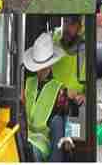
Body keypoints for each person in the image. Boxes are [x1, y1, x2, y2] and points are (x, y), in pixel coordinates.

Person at [23, 32, 68, 162]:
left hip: (41, 144)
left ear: (50, 65)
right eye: (38, 67)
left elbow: (58, 125)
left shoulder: (59, 90)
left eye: (44, 67)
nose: (41, 71)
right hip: (23, 135)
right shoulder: (27, 83)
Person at [52, 16, 86, 105]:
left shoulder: (87, 47)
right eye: (65, 21)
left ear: (80, 27)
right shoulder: (53, 40)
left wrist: (84, 95)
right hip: (53, 98)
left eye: (72, 24)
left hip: (76, 103)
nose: (67, 27)